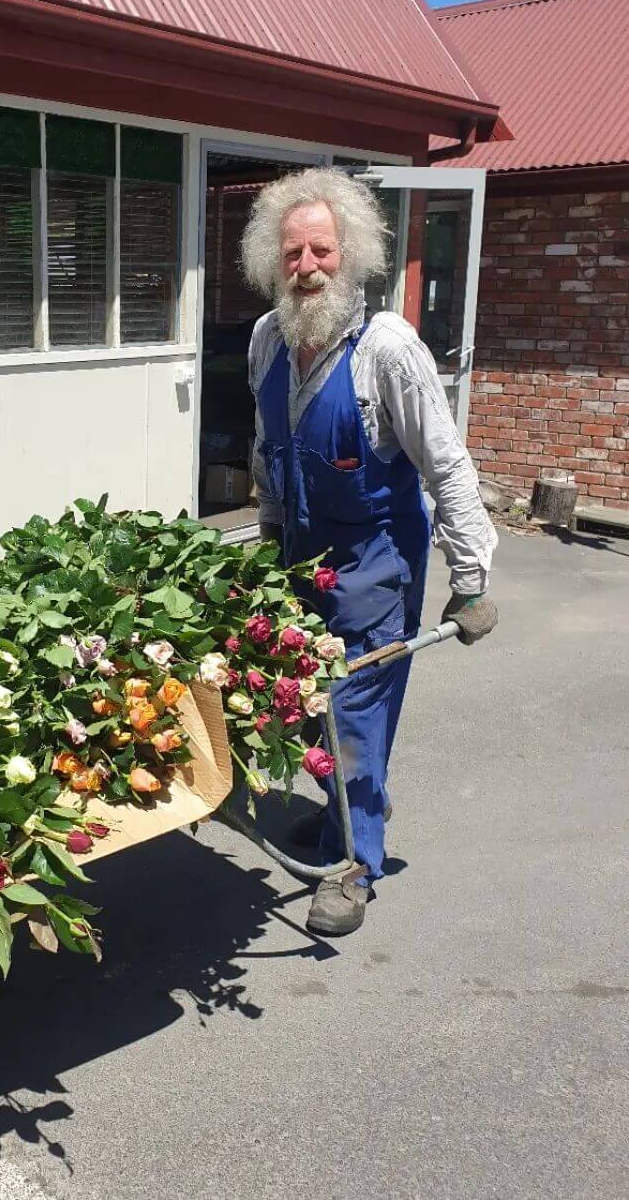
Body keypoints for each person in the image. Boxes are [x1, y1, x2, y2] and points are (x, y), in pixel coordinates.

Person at [240, 167, 498, 937]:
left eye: (321, 249)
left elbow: (445, 462)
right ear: (272, 260)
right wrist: (269, 536)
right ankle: (334, 824)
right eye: (292, 254)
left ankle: (356, 862)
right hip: (303, 555)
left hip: (377, 562)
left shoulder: (386, 350)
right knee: (307, 700)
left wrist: (473, 574)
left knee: (356, 709)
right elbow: (267, 449)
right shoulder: (267, 339)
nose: (307, 266)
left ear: (350, 255)